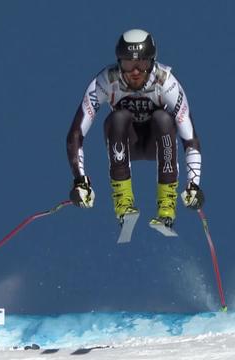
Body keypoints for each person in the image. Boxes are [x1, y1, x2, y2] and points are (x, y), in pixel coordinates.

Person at [66, 29, 204, 229]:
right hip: (124, 143)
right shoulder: (106, 81)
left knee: (163, 118)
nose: (135, 72)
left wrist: (194, 184)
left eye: (142, 64)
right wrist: (80, 180)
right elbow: (76, 133)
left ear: (152, 62)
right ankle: (124, 203)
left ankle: (167, 205)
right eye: (129, 64)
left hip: (157, 144)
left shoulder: (166, 83)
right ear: (119, 63)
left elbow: (189, 138)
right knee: (118, 118)